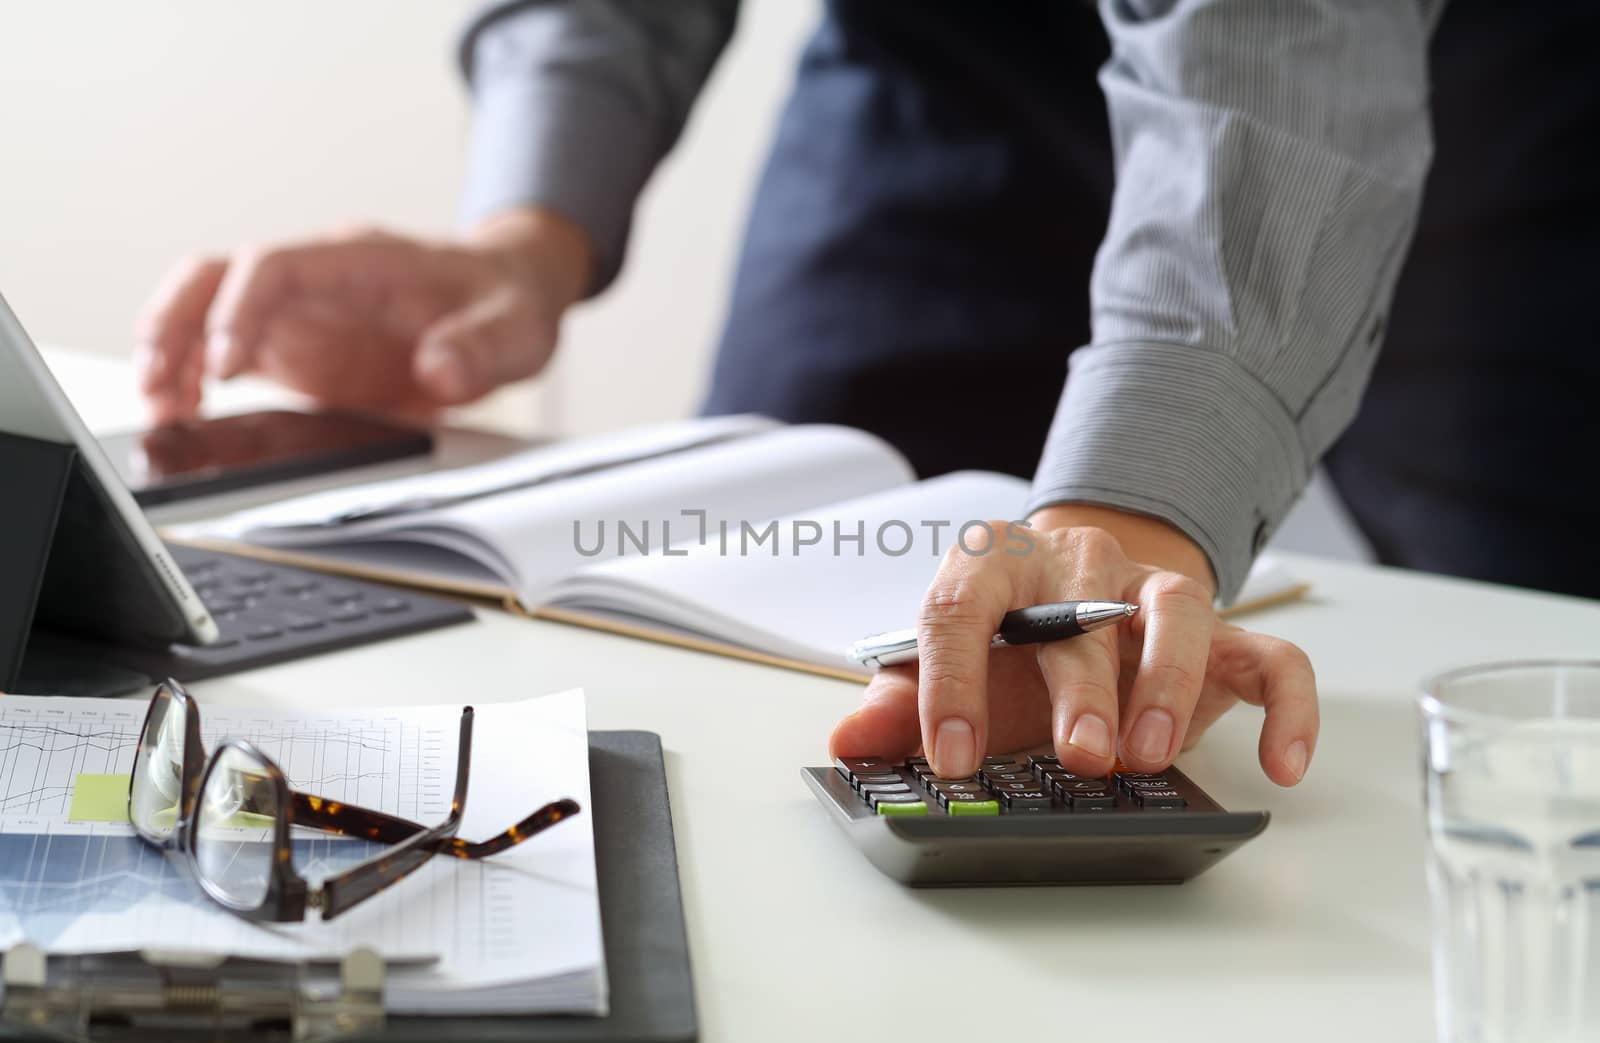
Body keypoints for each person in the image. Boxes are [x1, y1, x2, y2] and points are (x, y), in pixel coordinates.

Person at [140, 0, 1476, 787]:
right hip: (932, 65)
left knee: (1507, 657)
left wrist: (1137, 506)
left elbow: (1281, 47)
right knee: (790, 677)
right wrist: (528, 236)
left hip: (1416, 88)